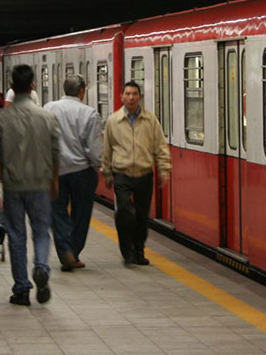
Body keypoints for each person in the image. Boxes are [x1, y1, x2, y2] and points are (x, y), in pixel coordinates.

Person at [0, 65, 60, 306]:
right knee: (41, 231)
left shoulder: (1, 119)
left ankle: (21, 288)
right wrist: (54, 181)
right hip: (40, 184)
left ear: (11, 86)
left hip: (13, 187)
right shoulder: (47, 117)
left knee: (16, 236)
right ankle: (41, 266)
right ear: (33, 86)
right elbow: (55, 154)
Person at [102, 81, 171, 266]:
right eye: (127, 94)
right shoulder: (113, 121)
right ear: (121, 97)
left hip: (144, 173)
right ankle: (127, 251)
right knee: (125, 211)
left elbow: (160, 146)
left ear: (139, 97)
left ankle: (139, 249)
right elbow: (107, 149)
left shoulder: (151, 120)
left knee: (141, 215)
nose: (131, 97)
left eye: (134, 94)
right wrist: (107, 172)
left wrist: (164, 169)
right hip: (121, 173)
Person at [44, 75, 102, 271]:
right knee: (81, 213)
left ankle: (64, 250)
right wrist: (98, 165)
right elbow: (93, 150)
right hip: (82, 172)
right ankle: (73, 251)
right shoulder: (90, 113)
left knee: (57, 212)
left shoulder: (48, 108)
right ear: (81, 91)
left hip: (55, 171)